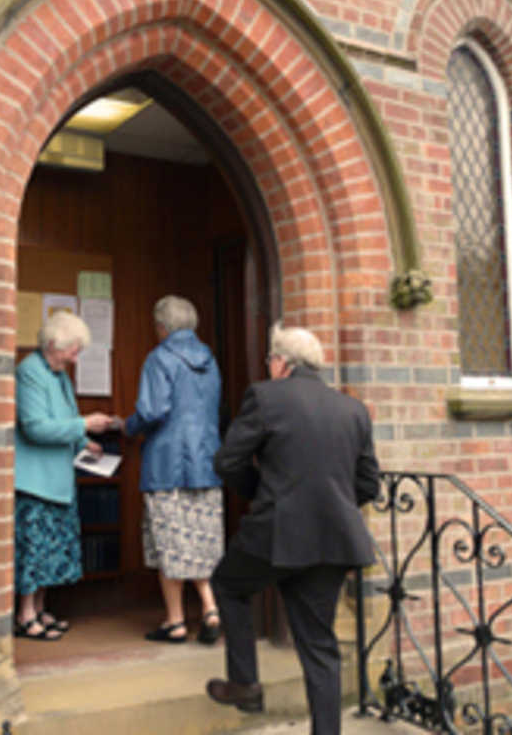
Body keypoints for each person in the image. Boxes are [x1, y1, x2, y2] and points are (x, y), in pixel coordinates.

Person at [205, 321, 381, 734]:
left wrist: (262, 494)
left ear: (281, 362)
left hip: (277, 532)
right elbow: (369, 483)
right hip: (334, 538)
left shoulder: (265, 397)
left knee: (229, 585)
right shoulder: (352, 409)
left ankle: (245, 683)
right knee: (320, 646)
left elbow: (227, 462)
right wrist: (332, 506)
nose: (269, 367)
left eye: (270, 359)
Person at [123, 295, 224, 645]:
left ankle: (176, 621)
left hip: (167, 464)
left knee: (169, 542)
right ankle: (210, 608)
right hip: (206, 462)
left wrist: (127, 427)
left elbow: (152, 411)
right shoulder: (210, 361)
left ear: (162, 326)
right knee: (199, 540)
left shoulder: (160, 358)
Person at [13, 310, 114, 640]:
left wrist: (85, 442)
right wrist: (83, 424)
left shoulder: (59, 376)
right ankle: (25, 614)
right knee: (34, 551)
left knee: (50, 553)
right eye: (73, 349)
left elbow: (64, 421)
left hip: (58, 479)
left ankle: (40, 608)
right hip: (36, 481)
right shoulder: (29, 372)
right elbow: (35, 427)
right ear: (54, 343)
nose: (75, 357)